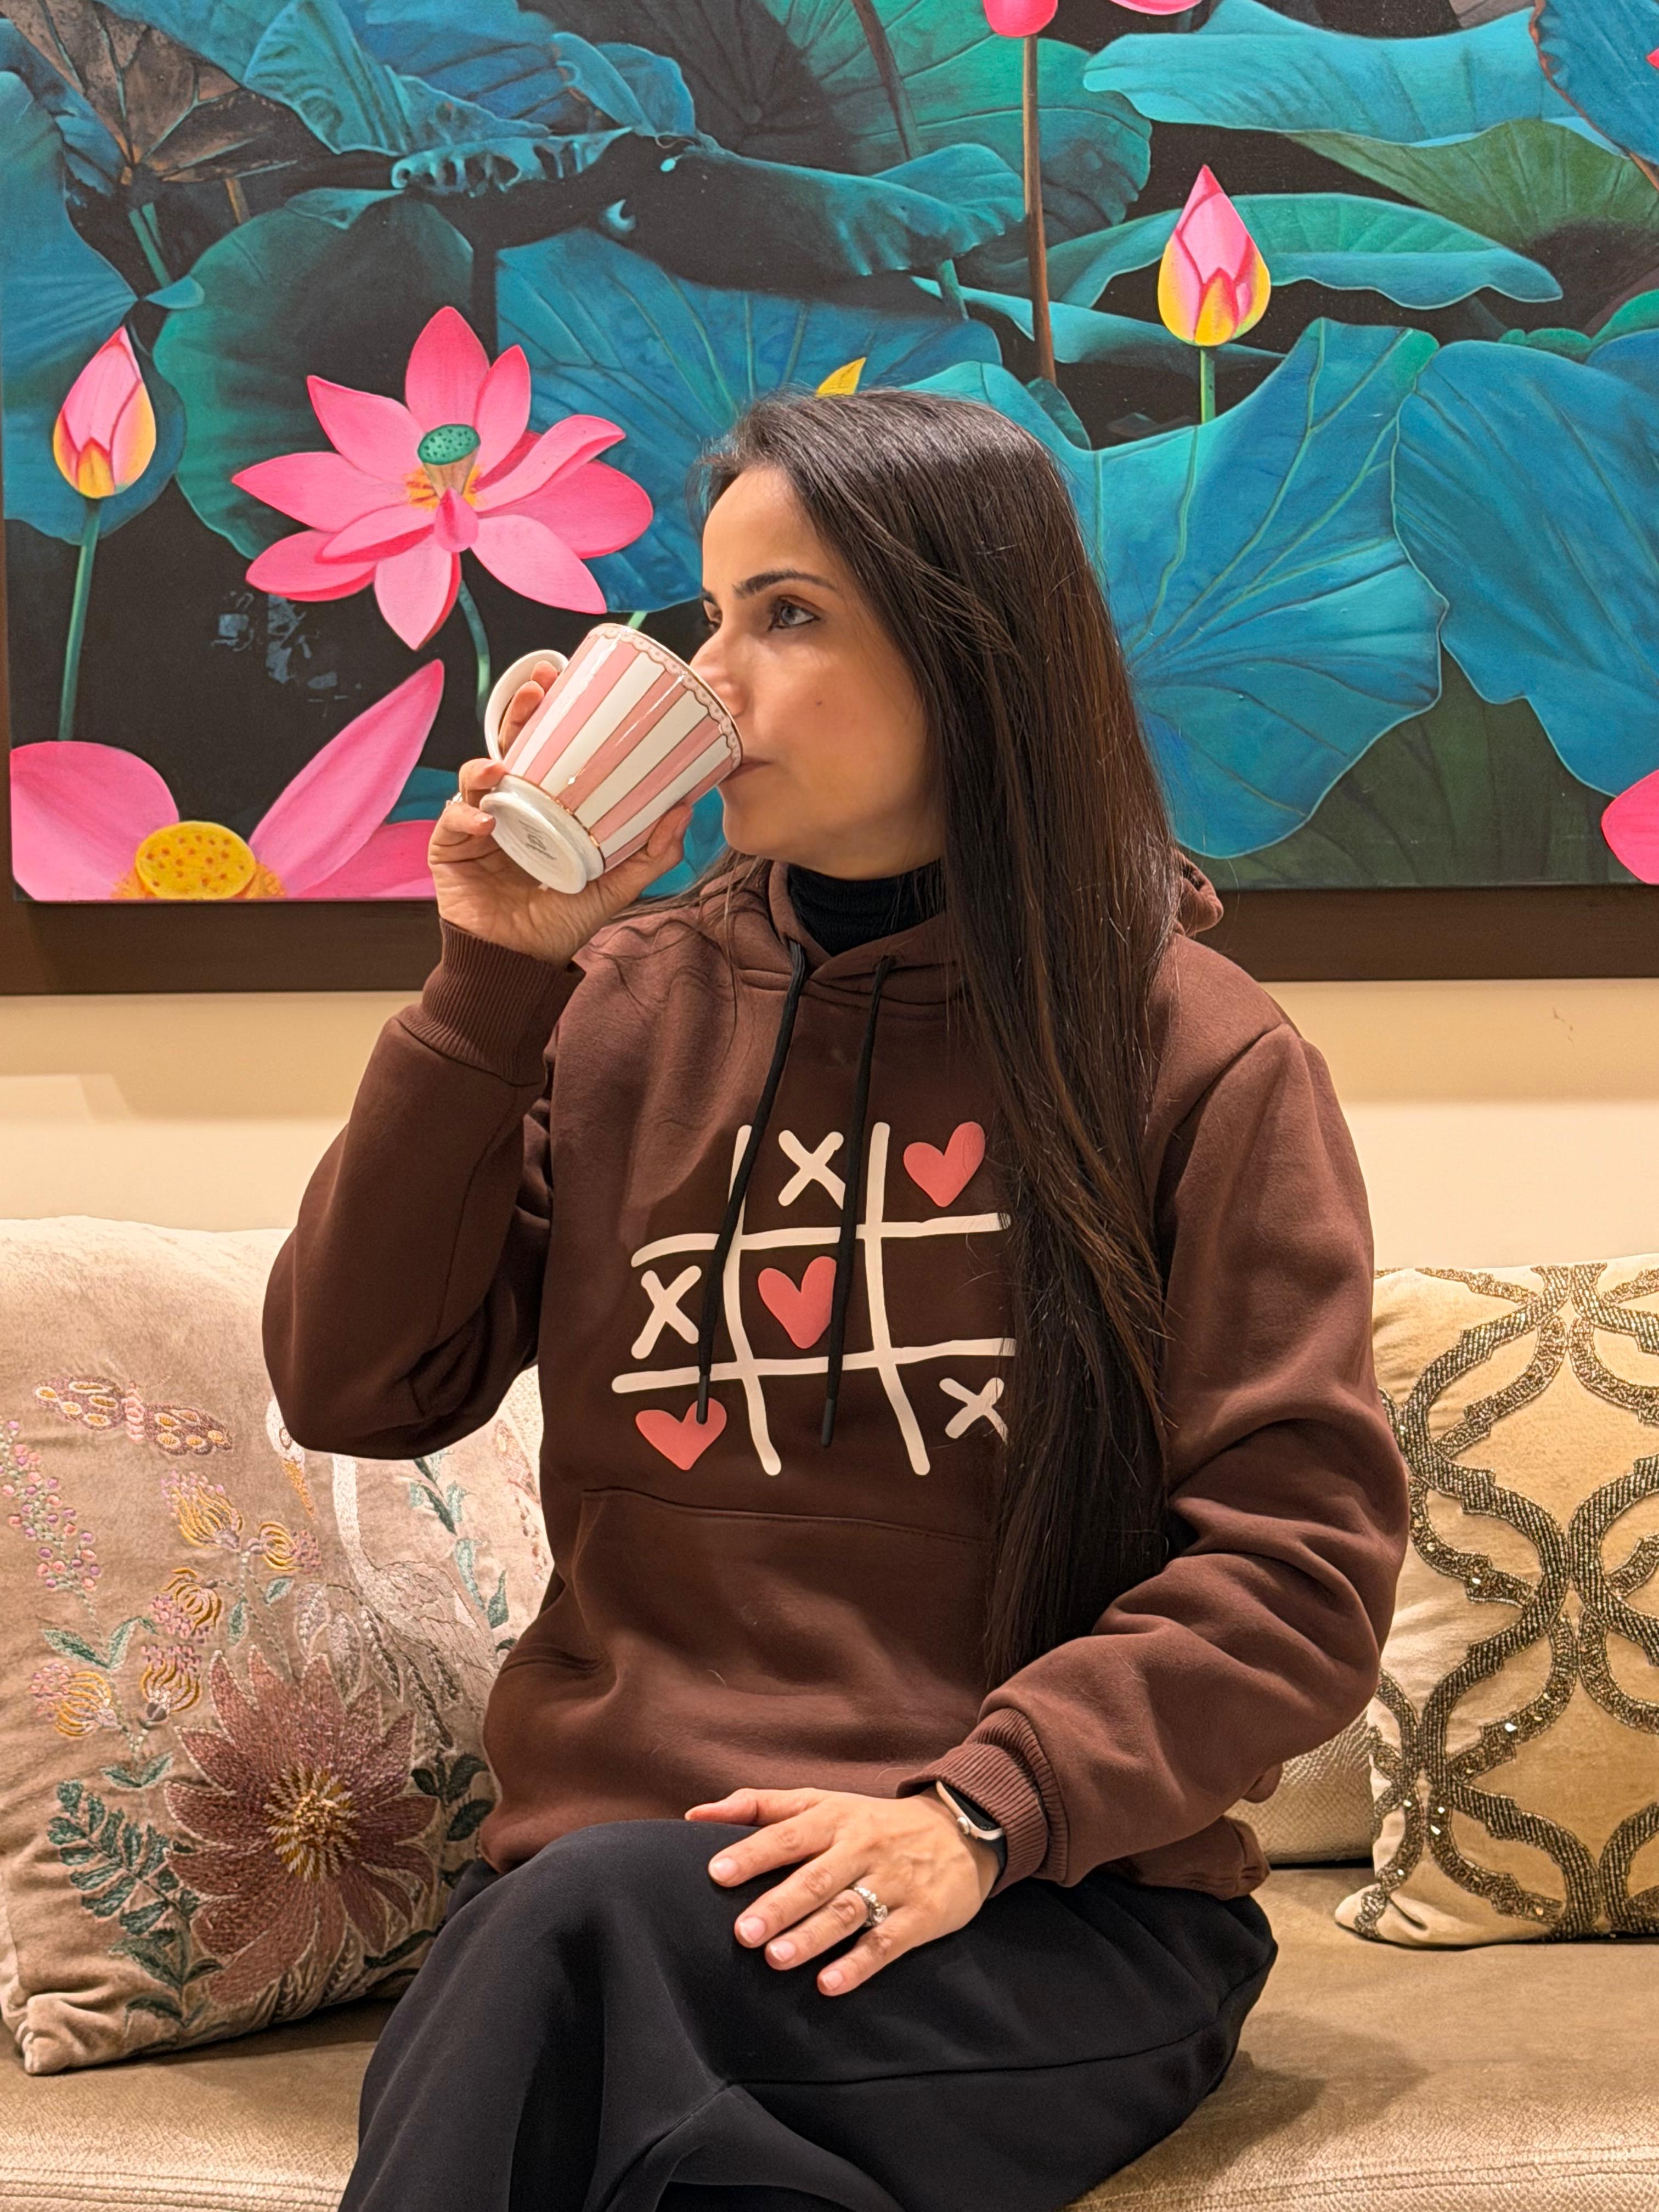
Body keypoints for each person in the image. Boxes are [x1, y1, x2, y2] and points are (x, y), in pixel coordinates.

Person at [263, 387, 1409, 2212]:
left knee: (571, 1971)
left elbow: (1298, 1574)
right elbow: (352, 1385)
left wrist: (978, 1812)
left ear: (973, 659)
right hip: (617, 1896)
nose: (715, 680)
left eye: (787, 617)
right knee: (687, 2126)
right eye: (708, 619)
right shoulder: (621, 1008)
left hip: (1031, 1914)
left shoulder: (1199, 1058)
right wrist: (493, 981)